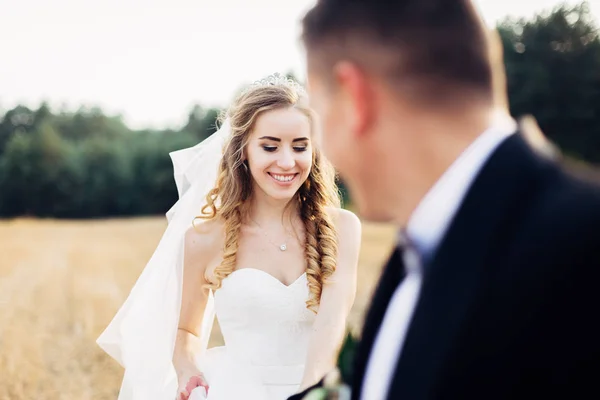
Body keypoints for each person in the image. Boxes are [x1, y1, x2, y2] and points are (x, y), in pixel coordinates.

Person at [290, 0, 600, 399]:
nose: (319, 148)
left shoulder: (583, 248)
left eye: (317, 110)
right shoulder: (415, 254)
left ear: (354, 99)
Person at [97, 74, 361, 400]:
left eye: (300, 146)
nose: (287, 161)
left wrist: (308, 394)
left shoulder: (342, 228)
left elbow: (331, 328)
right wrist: (188, 368)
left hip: (318, 388)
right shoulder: (203, 239)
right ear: (243, 151)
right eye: (269, 146)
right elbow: (186, 331)